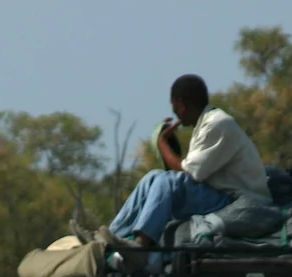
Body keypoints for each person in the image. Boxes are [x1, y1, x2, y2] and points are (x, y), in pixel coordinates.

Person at [103, 74, 270, 249]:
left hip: (237, 202)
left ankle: (141, 244)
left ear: (181, 104)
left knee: (165, 180)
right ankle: (111, 235)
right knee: (153, 177)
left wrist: (162, 143)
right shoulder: (205, 124)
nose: (175, 112)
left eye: (174, 106)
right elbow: (184, 174)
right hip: (220, 195)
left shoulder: (217, 123)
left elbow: (188, 173)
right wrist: (169, 147)